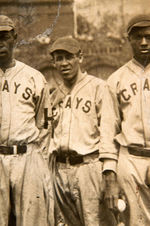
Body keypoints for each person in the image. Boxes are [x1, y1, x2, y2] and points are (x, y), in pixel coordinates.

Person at [48, 36, 116, 226]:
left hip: (88, 166)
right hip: (60, 170)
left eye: (68, 57)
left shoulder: (98, 87)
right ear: (53, 63)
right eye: (58, 58)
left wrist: (109, 172)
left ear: (80, 57)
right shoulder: (55, 94)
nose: (64, 63)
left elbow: (108, 132)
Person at [0, 15, 54, 226]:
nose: (0, 42)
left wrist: (37, 159)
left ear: (14, 38)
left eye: (4, 36)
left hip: (27, 156)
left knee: (33, 220)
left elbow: (45, 124)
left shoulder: (34, 77)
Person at [100, 14, 150, 226]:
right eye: (137, 37)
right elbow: (108, 130)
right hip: (130, 160)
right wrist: (109, 175)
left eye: (148, 36)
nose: (144, 42)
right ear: (128, 39)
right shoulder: (116, 79)